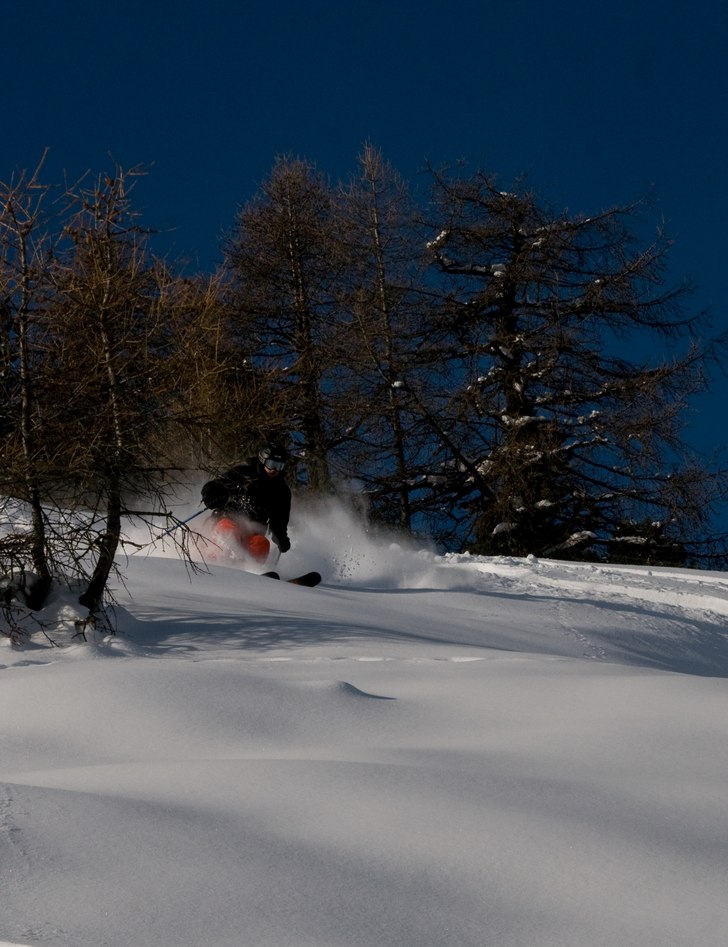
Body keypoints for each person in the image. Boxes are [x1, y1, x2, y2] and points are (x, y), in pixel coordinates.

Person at [200, 443, 292, 563]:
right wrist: (211, 495)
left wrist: (281, 538)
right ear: (263, 460)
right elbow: (216, 485)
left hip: (252, 534)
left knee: (262, 544)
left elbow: (279, 520)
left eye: (279, 466)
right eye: (272, 464)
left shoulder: (281, 491)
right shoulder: (243, 473)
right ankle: (218, 562)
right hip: (226, 522)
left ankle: (250, 572)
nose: (274, 470)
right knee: (230, 533)